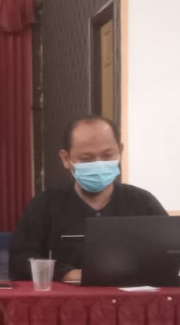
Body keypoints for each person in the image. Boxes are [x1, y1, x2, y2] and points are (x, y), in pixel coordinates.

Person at [9, 116, 167, 282]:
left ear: (120, 151)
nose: (98, 164)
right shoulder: (45, 205)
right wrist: (66, 274)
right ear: (66, 159)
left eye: (107, 155)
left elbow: (171, 256)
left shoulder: (142, 203)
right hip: (66, 296)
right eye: (86, 159)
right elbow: (19, 262)